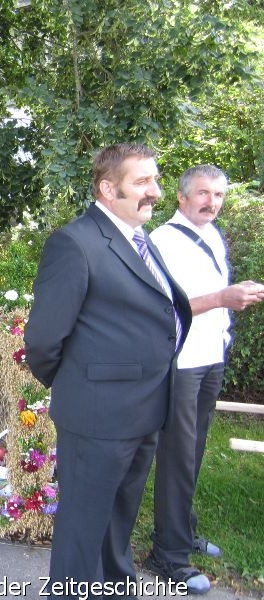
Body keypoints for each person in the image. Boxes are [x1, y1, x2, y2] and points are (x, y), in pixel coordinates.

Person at [24, 143, 192, 594]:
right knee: (83, 527)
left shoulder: (140, 240)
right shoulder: (75, 243)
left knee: (119, 519)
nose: (155, 191)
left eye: (155, 180)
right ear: (107, 187)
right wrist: (81, 387)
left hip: (144, 411)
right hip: (96, 417)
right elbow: (42, 341)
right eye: (142, 181)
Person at [144, 165, 264, 593]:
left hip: (210, 357)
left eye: (218, 194)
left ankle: (183, 531)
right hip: (181, 363)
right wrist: (222, 298)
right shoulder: (162, 242)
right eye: (202, 193)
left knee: (192, 453)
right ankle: (168, 555)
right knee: (177, 457)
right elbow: (162, 310)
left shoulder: (212, 234)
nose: (211, 202)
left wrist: (233, 298)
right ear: (180, 197)